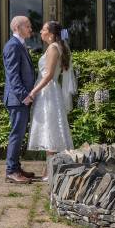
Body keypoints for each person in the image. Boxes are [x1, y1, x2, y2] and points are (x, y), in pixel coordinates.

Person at [26, 21, 74, 178]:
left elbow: (48, 76)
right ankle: (50, 169)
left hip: (48, 92)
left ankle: (51, 171)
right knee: (49, 128)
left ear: (51, 34)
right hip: (49, 91)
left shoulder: (53, 48)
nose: (40, 31)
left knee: (50, 129)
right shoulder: (54, 47)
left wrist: (33, 92)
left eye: (43, 29)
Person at [2, 16, 38, 184]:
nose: (31, 29)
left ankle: (16, 167)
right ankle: (11, 171)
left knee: (19, 133)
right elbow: (13, 76)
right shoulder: (12, 46)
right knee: (16, 134)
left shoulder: (19, 45)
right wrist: (25, 96)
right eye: (28, 26)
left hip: (20, 99)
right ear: (17, 27)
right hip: (17, 99)